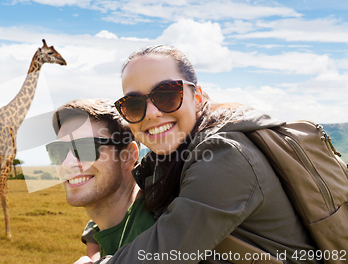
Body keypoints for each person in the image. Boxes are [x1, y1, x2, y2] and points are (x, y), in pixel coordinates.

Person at [89, 45, 320, 263]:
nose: (151, 113)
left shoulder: (226, 155)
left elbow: (165, 253)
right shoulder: (169, 159)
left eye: (167, 94)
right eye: (133, 104)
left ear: (197, 98)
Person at [45, 98, 156, 262]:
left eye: (86, 148)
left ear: (127, 155)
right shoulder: (103, 228)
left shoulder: (156, 231)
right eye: (58, 151)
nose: (67, 163)